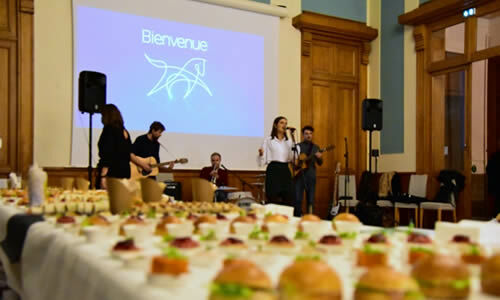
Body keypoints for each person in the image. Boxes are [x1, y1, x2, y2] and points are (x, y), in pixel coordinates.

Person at [96, 104, 151, 189]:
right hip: (124, 171)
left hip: (112, 172)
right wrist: (143, 165)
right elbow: (129, 154)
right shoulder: (124, 131)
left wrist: (103, 176)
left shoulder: (109, 130)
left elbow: (107, 154)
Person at [258, 116, 297, 206]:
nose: (284, 125)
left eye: (286, 123)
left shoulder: (289, 141)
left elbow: (292, 158)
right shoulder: (268, 140)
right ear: (275, 125)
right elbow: (262, 158)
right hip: (273, 169)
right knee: (273, 196)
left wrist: (293, 141)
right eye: (282, 123)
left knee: (288, 196)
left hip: (285, 169)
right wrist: (261, 154)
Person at [294, 126, 323, 216]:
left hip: (311, 176)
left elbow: (320, 163)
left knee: (311, 200)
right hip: (299, 176)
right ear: (303, 135)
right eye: (306, 134)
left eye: (310, 133)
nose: (308, 135)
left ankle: (310, 218)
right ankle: (298, 217)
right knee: (298, 199)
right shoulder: (298, 146)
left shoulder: (316, 147)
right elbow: (294, 161)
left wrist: (320, 158)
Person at [486, 150, 500, 217]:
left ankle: (495, 217)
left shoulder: (494, 156)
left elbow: (488, 169)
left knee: (497, 203)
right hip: (496, 184)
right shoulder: (494, 156)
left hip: (495, 184)